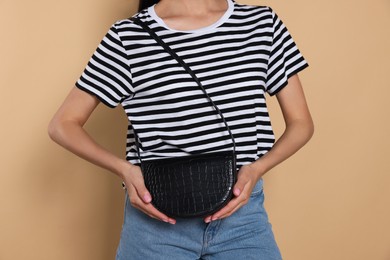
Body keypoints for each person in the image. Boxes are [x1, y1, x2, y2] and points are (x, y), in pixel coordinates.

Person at [48, 0, 314, 259]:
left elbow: (301, 124)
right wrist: (125, 170)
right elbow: (63, 124)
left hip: (242, 219)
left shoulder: (261, 24)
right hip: (156, 221)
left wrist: (256, 169)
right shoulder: (128, 36)